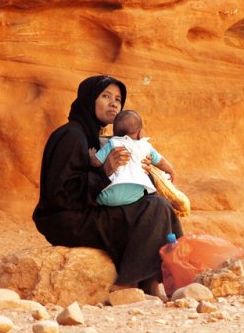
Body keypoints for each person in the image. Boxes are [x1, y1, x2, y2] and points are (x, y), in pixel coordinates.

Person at [33, 75, 183, 297]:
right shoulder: (71, 135)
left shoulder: (98, 138)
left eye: (118, 99)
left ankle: (151, 283)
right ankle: (127, 284)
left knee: (155, 205)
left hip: (86, 211)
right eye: (105, 96)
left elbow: (114, 185)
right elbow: (61, 195)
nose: (114, 103)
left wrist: (143, 171)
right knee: (155, 208)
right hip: (68, 220)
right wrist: (104, 173)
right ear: (89, 100)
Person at [89, 109, 176, 207]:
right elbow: (161, 162)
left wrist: (91, 156)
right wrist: (170, 171)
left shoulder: (113, 143)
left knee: (96, 199)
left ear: (114, 133)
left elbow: (96, 162)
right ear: (140, 133)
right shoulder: (145, 146)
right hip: (135, 196)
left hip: (109, 198)